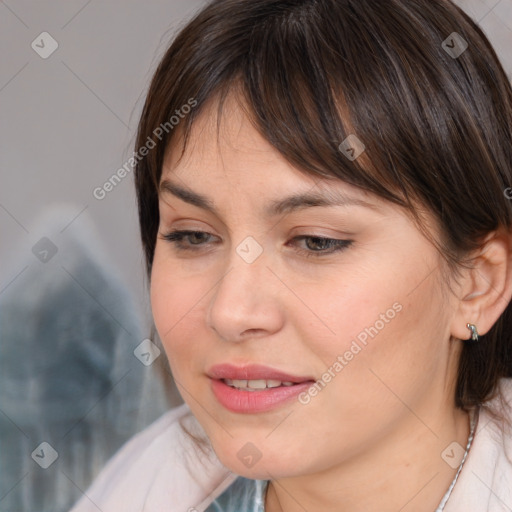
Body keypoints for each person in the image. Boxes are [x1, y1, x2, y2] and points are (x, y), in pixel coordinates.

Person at [69, 0, 512, 510]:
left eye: (317, 241)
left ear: (478, 282)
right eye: (192, 235)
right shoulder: (145, 484)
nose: (230, 313)